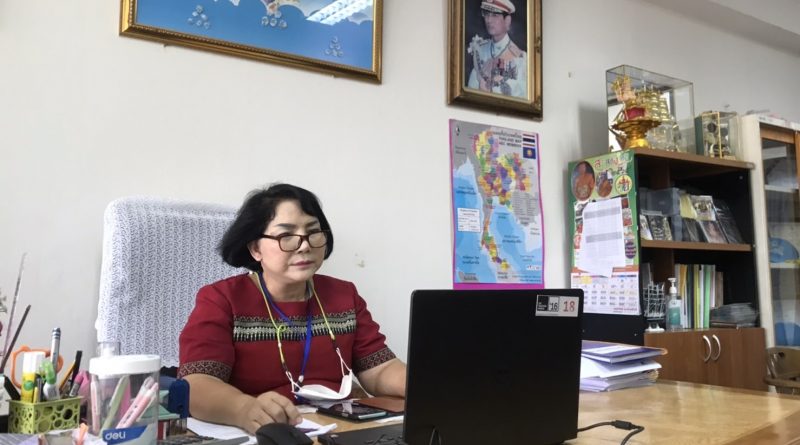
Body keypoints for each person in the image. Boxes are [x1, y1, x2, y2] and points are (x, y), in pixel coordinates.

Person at [178, 184, 407, 434]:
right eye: (286, 235)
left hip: (338, 429)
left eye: (313, 232)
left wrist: (425, 384)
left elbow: (380, 369)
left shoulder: (344, 295)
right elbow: (197, 384)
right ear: (255, 249)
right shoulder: (222, 299)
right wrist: (244, 409)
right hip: (261, 432)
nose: (304, 245)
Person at [466, 0, 528, 98]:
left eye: (495, 15)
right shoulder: (480, 51)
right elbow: (470, 92)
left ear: (507, 21)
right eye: (487, 14)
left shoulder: (520, 59)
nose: (489, 20)